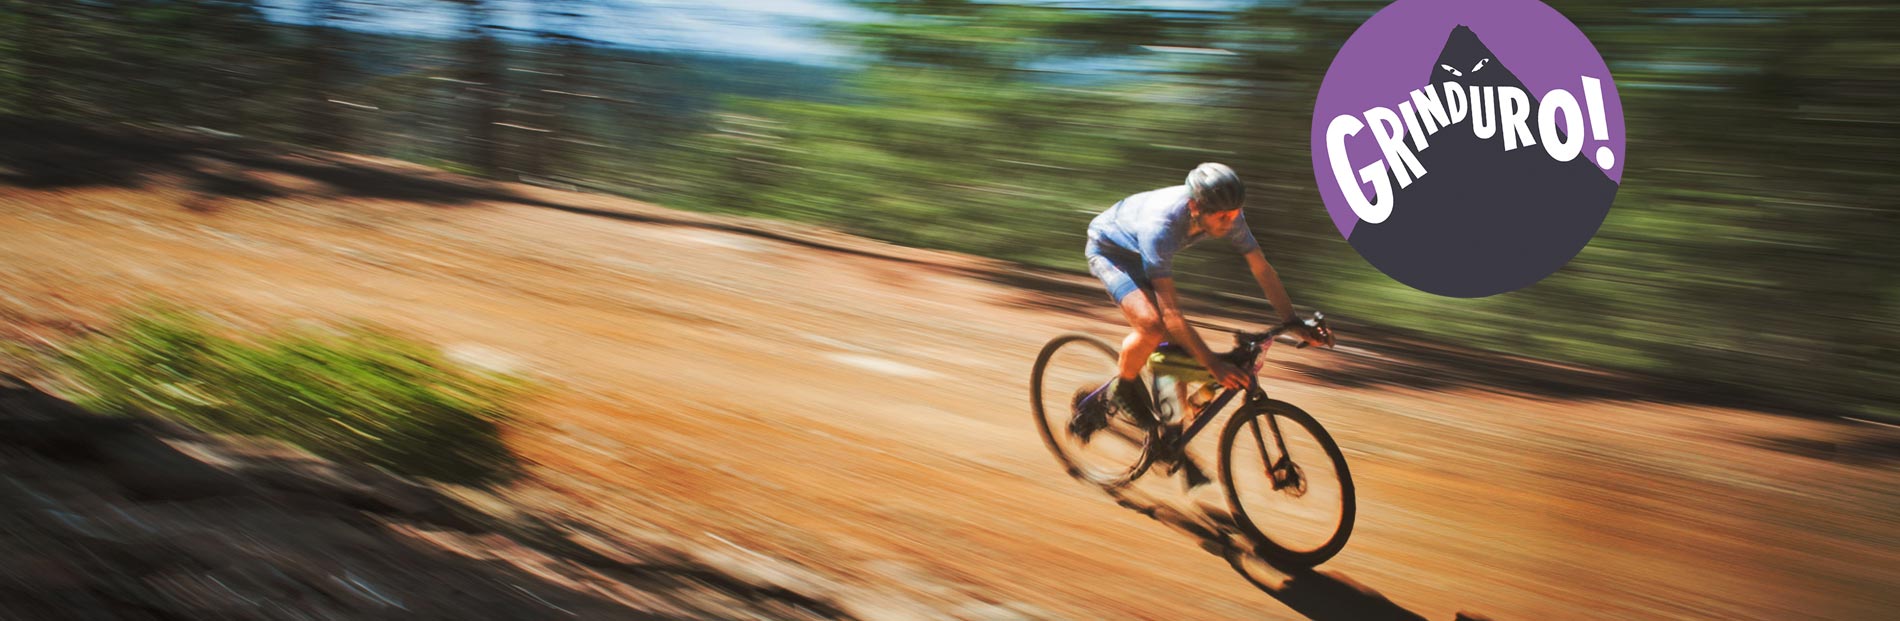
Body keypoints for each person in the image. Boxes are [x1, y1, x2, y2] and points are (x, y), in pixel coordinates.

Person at [1071, 163, 1325, 456]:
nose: (1230, 222)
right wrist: (1214, 366)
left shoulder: (1229, 212)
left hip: (1145, 252)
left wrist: (1292, 321)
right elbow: (1172, 316)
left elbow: (1262, 269)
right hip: (1111, 251)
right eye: (1222, 217)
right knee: (1154, 326)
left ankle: (1170, 433)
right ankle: (1122, 388)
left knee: (1177, 350)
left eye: (1234, 213)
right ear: (1194, 206)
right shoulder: (1162, 226)